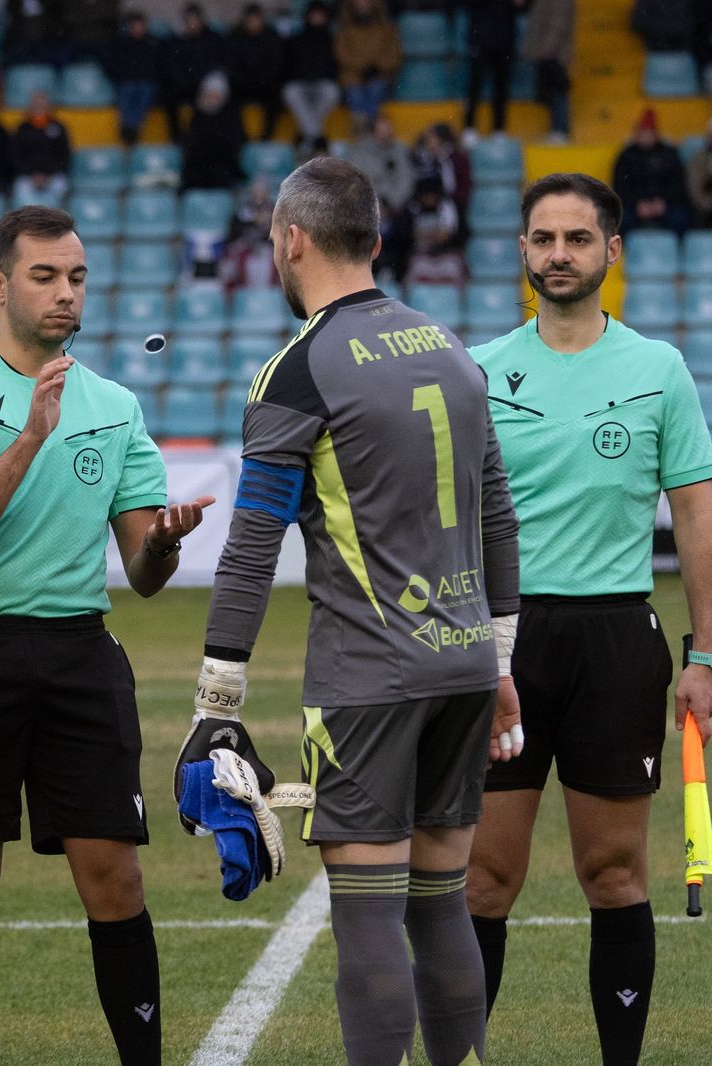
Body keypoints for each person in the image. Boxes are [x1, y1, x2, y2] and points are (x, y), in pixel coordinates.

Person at [188, 154, 522, 1066]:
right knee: (443, 897)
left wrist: (215, 704)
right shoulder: (451, 347)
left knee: (369, 914)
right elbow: (498, 511)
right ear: (374, 241)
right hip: (463, 663)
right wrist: (499, 663)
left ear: (291, 240)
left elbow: (253, 546)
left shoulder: (297, 373)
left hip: (368, 677)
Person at [0, 205, 217, 1066]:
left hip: (80, 653)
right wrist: (31, 437)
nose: (65, 293)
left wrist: (162, 542)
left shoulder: (115, 406)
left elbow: (144, 576)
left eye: (76, 277)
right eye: (45, 276)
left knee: (114, 877)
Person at [466, 172, 712, 1066]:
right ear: (523, 253)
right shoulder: (481, 370)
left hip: (616, 641)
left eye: (578, 239)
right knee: (484, 878)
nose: (560, 255)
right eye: (544, 239)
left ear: (612, 251)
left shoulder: (659, 369)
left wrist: (709, 655)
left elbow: (695, 513)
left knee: (612, 873)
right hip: (501, 643)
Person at [612, 109, 688, 235]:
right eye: (643, 133)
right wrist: (637, 203)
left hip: (665, 204)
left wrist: (664, 202)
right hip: (635, 205)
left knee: (681, 218)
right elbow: (620, 185)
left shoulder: (669, 154)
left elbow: (678, 183)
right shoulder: (626, 155)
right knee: (621, 220)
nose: (646, 137)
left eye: (649, 133)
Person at [282, 1, 341, 152]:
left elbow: (335, 66)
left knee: (331, 91)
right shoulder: (296, 39)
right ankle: (317, 137)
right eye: (314, 15)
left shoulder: (332, 39)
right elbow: (288, 65)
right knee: (290, 91)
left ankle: (307, 134)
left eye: (320, 15)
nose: (317, 18)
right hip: (301, 83)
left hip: (322, 83)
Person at [161, 4, 224, 141]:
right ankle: (177, 138)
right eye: (189, 20)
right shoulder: (177, 41)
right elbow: (172, 66)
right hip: (182, 85)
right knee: (168, 97)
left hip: (202, 83)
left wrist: (198, 79)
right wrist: (183, 81)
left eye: (195, 20)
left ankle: (205, 138)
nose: (192, 24)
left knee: (212, 97)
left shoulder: (212, 39)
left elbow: (213, 65)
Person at [464, 0, 524, 139]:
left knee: (501, 87)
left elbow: (523, 6)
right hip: (480, 38)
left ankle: (499, 129)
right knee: (474, 85)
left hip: (504, 40)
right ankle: (469, 127)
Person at [226, 3, 286, 141]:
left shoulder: (271, 37)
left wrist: (263, 79)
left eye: (256, 19)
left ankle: (267, 135)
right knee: (230, 100)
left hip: (265, 83)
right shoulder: (236, 37)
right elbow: (232, 65)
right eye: (250, 20)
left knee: (275, 98)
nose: (253, 23)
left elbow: (276, 64)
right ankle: (239, 135)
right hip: (242, 83)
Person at [336, 0, 401, 124]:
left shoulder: (387, 29)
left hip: (381, 76)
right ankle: (369, 130)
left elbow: (394, 54)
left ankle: (368, 130)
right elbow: (341, 55)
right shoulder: (344, 30)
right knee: (355, 94)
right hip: (352, 76)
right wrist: (362, 68)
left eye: (366, 3)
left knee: (376, 89)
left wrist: (377, 67)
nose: (362, 6)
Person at [180, 71, 247, 191]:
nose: (211, 99)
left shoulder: (231, 118)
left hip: (223, 167)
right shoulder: (194, 117)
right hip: (197, 169)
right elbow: (190, 147)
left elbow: (233, 147)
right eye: (208, 95)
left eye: (215, 95)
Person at [343, 112, 416, 216]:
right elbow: (352, 181)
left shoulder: (401, 150)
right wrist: (372, 205)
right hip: (365, 207)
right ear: (373, 132)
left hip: (395, 207)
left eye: (388, 130)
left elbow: (406, 180)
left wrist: (391, 203)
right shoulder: (358, 151)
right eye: (382, 131)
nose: (386, 134)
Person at [523, 0, 575, 142]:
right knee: (553, 91)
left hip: (554, 54)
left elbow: (559, 24)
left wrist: (547, 49)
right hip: (549, 52)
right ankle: (557, 130)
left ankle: (560, 130)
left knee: (558, 90)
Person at [108, 10, 161, 147]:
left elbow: (160, 66)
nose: (138, 28)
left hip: (147, 83)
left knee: (144, 94)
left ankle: (130, 130)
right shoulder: (122, 44)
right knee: (126, 95)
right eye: (134, 25)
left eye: (140, 25)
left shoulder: (153, 43)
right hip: (127, 82)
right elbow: (113, 65)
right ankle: (130, 129)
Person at [10, 90, 72, 205]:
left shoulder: (58, 128)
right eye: (36, 105)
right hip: (28, 177)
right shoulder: (22, 128)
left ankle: (54, 221)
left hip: (53, 176)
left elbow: (64, 155)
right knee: (21, 189)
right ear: (30, 107)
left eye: (42, 105)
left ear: (49, 107)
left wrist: (47, 175)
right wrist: (32, 174)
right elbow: (15, 156)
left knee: (60, 186)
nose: (39, 108)